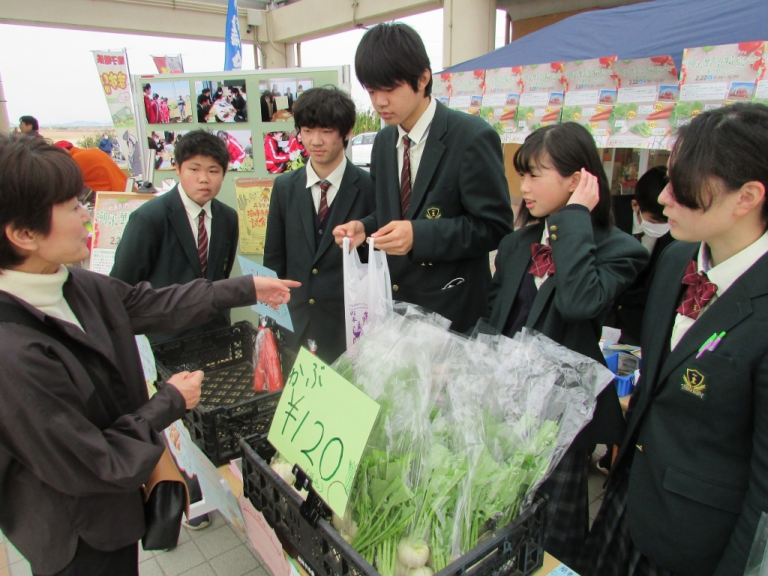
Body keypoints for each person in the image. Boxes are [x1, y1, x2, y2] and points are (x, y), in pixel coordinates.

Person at [0, 133, 297, 576]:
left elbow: (154, 303)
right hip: (75, 535)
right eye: (71, 206)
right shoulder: (13, 352)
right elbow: (95, 460)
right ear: (23, 233)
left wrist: (247, 287)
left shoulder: (76, 285)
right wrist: (168, 402)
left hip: (118, 512)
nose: (87, 214)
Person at [584, 103, 768, 576]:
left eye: (683, 187)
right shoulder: (675, 259)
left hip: (695, 542)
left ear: (747, 196)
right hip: (628, 504)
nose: (664, 198)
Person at [486, 122, 648, 569]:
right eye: (523, 175)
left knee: (550, 534)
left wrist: (574, 217)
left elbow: (580, 302)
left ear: (577, 181)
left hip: (562, 422)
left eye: (536, 174)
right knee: (494, 516)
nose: (524, 187)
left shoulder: (619, 249)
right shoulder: (516, 243)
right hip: (503, 403)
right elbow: (494, 317)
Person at [333, 23, 513, 333]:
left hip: (451, 311)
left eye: (389, 89)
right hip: (396, 309)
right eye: (372, 90)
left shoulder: (471, 137)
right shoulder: (384, 141)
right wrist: (365, 227)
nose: (379, 102)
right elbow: (392, 213)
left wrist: (419, 236)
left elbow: (494, 227)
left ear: (423, 79)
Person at [264, 87, 375, 364]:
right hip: (295, 327)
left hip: (348, 331)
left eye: (326, 131)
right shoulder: (284, 187)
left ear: (346, 131)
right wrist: (267, 324)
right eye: (307, 130)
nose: (315, 141)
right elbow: (274, 259)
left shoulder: (369, 186)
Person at [111, 130, 239, 344]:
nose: (204, 179)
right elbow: (121, 285)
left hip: (216, 335)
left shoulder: (227, 217)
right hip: (167, 339)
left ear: (224, 174)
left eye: (213, 171)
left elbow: (221, 275)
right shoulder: (149, 218)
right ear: (178, 169)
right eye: (194, 169)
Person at [610, 165, 674, 345]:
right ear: (635, 205)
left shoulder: (678, 231)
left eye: (665, 222)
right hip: (605, 316)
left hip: (640, 326)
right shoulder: (609, 214)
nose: (661, 227)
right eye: (654, 221)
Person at [54, 140, 128, 193]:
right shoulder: (91, 151)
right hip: (124, 187)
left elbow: (66, 186)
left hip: (111, 195)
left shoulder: (75, 160)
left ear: (63, 150)